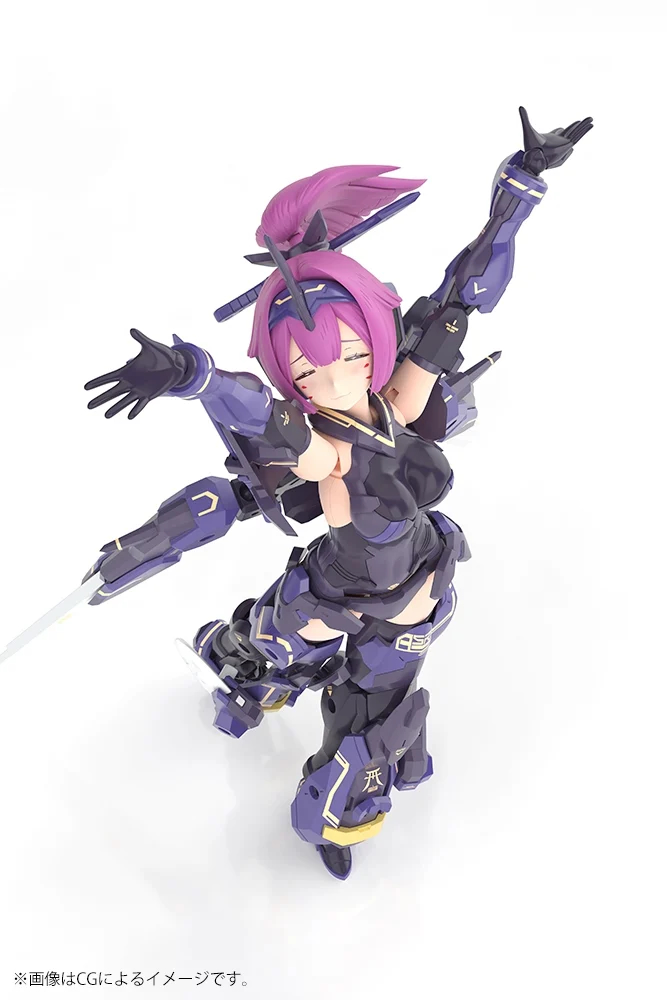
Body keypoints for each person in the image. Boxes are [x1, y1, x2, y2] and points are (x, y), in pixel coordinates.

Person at [83, 108, 593, 879]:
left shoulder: (399, 398)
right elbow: (267, 420)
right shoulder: (322, 446)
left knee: (370, 732)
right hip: (328, 599)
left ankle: (339, 811)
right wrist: (197, 377)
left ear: (372, 341)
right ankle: (244, 677)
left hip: (414, 596)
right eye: (308, 370)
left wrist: (519, 187)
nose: (332, 378)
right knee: (263, 653)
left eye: (348, 354)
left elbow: (456, 301)